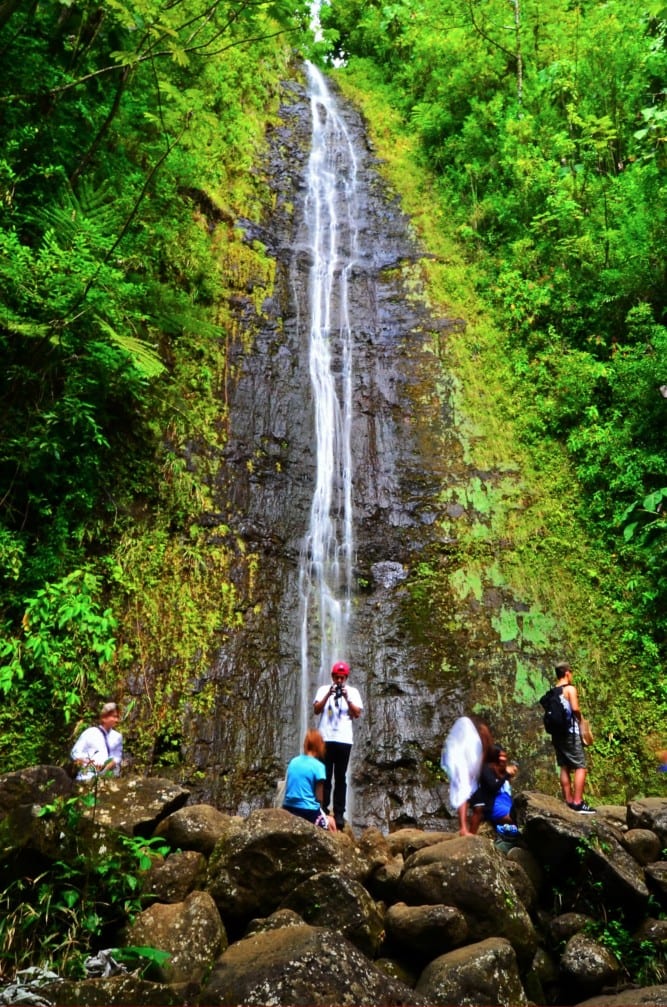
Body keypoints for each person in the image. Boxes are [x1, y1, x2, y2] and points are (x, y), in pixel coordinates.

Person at [313, 660, 363, 831]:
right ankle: (323, 809)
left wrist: (347, 697)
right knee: (324, 776)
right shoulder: (323, 690)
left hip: (344, 740)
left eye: (342, 678)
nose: (339, 681)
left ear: (346, 678)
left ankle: (339, 813)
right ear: (332, 677)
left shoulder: (353, 692)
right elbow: (317, 709)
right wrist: (329, 693)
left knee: (340, 778)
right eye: (337, 677)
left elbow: (356, 713)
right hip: (325, 739)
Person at [550, 661, 595, 813]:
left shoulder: (553, 691)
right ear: (567, 673)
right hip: (570, 732)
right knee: (580, 766)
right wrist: (581, 720)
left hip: (557, 734)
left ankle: (568, 800)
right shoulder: (570, 689)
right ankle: (577, 802)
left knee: (564, 766)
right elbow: (575, 708)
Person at [441, 715, 494, 835]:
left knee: (479, 808)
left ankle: (471, 833)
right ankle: (463, 829)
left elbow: (479, 761)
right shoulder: (462, 740)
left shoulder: (478, 744)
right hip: (462, 773)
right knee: (463, 796)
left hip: (473, 777)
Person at [282, 728, 335, 830]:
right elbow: (319, 797)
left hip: (288, 808)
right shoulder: (319, 766)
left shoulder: (293, 761)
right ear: (319, 746)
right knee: (331, 822)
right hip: (307, 812)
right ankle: (337, 845)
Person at [470, 745, 519, 836]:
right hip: (494, 803)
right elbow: (492, 787)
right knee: (516, 819)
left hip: (506, 802)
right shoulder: (485, 769)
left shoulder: (503, 771)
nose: (503, 759)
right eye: (500, 756)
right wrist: (506, 775)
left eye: (505, 756)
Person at [70, 701, 123, 782]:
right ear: (104, 718)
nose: (116, 720)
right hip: (86, 778)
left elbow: (117, 757)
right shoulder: (90, 733)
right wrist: (90, 763)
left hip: (107, 779)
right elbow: (74, 753)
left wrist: (108, 765)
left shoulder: (117, 737)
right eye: (114, 717)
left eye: (117, 717)